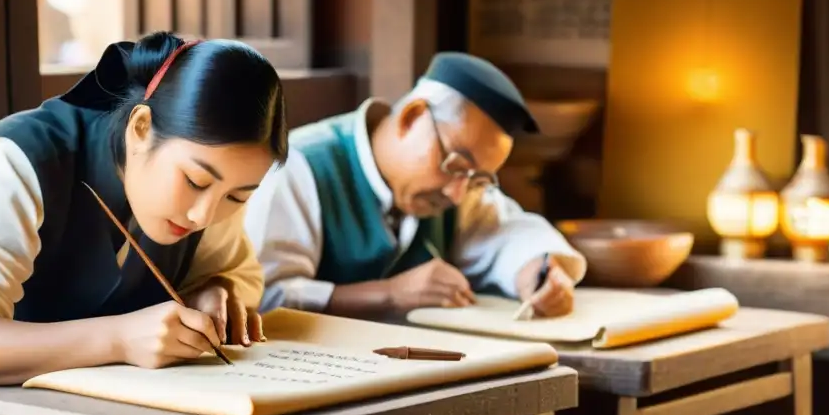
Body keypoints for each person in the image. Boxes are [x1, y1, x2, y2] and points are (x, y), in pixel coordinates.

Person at [0, 31, 288, 387]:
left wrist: (214, 292)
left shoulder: (205, 193)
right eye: (195, 181)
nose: (202, 216)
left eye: (238, 197)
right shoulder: (13, 163)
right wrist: (118, 339)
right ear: (140, 127)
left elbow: (235, 272)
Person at [244, 51, 586, 320]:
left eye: (477, 179)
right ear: (411, 118)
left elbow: (511, 235)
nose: (457, 194)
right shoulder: (301, 166)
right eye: (455, 165)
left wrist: (538, 273)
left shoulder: (460, 186)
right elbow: (264, 297)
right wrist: (389, 294)